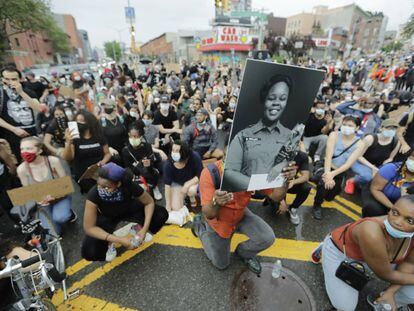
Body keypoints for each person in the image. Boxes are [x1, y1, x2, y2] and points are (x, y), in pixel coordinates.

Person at [192, 157, 297, 274]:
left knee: (267, 238)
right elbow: (209, 214)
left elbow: (276, 196)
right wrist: (216, 202)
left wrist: (285, 180)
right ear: (225, 153)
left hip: (241, 214)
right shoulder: (210, 173)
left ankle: (243, 253)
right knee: (221, 265)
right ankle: (200, 229)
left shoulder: (254, 169)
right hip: (219, 223)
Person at [312, 195, 414, 311]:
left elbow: (410, 264)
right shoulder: (371, 231)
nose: (397, 222)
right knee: (345, 307)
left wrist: (391, 292)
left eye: (409, 220)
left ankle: (383, 300)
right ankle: (325, 247)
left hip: (377, 260)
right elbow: (386, 275)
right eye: (395, 212)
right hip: (343, 254)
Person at [222, 74, 304, 192]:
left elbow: (291, 163)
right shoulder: (244, 135)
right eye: (271, 98)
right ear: (263, 98)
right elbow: (229, 172)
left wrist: (287, 167)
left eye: (282, 99)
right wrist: (258, 185)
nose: (276, 103)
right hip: (245, 195)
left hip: (273, 197)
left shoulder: (290, 136)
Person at [81, 162, 168, 261]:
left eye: (106, 187)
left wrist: (144, 229)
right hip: (107, 216)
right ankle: (109, 242)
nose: (101, 190)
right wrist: (119, 240)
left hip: (127, 209)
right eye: (99, 185)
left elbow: (149, 203)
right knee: (89, 251)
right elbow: (89, 228)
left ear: (118, 183)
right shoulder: (94, 193)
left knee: (161, 214)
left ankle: (137, 228)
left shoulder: (129, 185)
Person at [16, 136, 75, 234]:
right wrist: (38, 201)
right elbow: (28, 192)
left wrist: (54, 196)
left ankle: (68, 212)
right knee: (54, 233)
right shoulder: (22, 169)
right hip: (41, 203)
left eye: (29, 148)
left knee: (61, 218)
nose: (24, 152)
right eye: (22, 149)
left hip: (60, 196)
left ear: (39, 151)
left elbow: (66, 185)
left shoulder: (53, 161)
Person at [312, 116, 366, 220]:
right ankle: (317, 205)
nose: (346, 127)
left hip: (339, 171)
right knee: (324, 184)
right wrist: (328, 174)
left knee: (331, 196)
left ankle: (317, 179)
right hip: (326, 166)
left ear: (357, 128)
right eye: (344, 124)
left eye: (350, 125)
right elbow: (328, 156)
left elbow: (348, 164)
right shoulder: (334, 135)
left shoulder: (360, 144)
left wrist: (332, 175)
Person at [61, 110, 111, 193]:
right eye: (77, 121)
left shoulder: (99, 135)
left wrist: (102, 163)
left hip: (100, 172)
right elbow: (68, 158)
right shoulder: (74, 138)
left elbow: (107, 153)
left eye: (82, 121)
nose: (79, 123)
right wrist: (69, 143)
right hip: (84, 175)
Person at [0, 65, 43, 160]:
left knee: (36, 160)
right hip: (11, 136)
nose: (10, 82)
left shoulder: (29, 92)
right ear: (2, 79)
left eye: (13, 79)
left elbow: (38, 109)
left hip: (31, 133)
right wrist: (14, 129)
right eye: (6, 79)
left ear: (20, 79)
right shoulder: (1, 93)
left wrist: (21, 93)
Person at [362, 151, 414, 217]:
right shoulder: (391, 168)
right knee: (373, 209)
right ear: (407, 156)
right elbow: (375, 189)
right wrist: (394, 208)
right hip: (378, 195)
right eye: (413, 157)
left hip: (401, 204)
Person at [163, 141, 202, 226]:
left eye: (177, 151)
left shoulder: (194, 156)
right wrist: (168, 207)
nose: (174, 153)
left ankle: (191, 197)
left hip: (193, 182)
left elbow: (200, 175)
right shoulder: (168, 164)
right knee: (175, 208)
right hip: (177, 184)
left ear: (184, 152)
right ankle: (183, 198)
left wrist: (187, 184)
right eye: (173, 150)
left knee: (191, 190)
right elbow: (167, 187)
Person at [122, 124, 162, 201]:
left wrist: (149, 164)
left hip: (148, 170)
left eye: (136, 136)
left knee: (154, 172)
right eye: (131, 136)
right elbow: (128, 167)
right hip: (136, 173)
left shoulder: (147, 146)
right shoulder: (126, 150)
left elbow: (152, 161)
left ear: (140, 137)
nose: (133, 138)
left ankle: (154, 187)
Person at [355, 119, 400, 185]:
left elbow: (390, 158)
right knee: (368, 177)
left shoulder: (395, 142)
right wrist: (373, 168)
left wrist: (384, 166)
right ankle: (352, 181)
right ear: (381, 128)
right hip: (362, 163)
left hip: (378, 167)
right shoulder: (370, 138)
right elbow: (358, 156)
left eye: (393, 129)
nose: (391, 131)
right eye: (388, 128)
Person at [272, 150, 311, 225]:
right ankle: (272, 200)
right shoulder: (276, 152)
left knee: (306, 187)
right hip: (276, 183)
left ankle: (293, 208)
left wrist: (294, 182)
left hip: (290, 183)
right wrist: (282, 201)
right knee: (276, 210)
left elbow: (306, 176)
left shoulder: (302, 155)